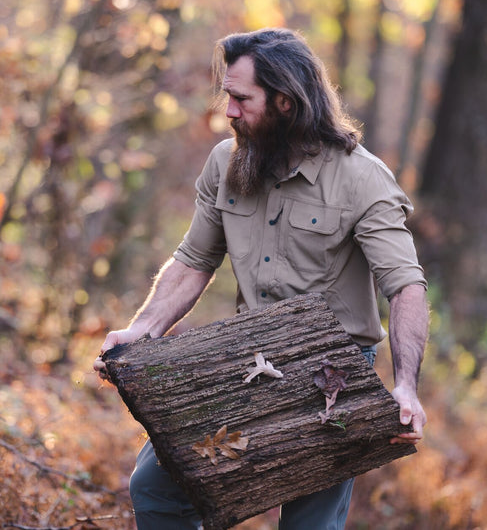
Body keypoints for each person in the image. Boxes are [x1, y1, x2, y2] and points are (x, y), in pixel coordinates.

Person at [94, 27, 429, 530]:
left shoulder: (363, 178)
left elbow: (404, 285)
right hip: (247, 359)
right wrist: (142, 330)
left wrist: (405, 386)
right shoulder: (225, 162)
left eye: (239, 98)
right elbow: (193, 260)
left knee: (307, 525)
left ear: (286, 102)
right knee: (155, 489)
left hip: (331, 374)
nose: (228, 111)